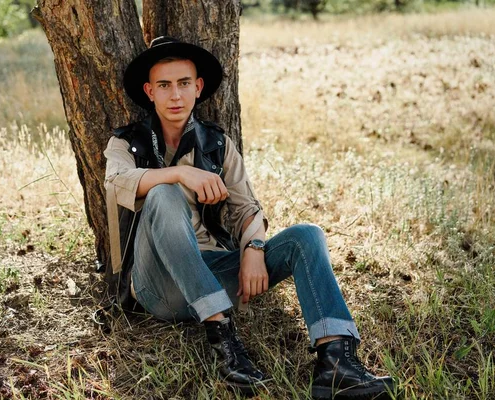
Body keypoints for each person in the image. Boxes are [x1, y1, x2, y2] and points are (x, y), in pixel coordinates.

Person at [103, 36, 396, 399]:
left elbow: (246, 208)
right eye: (164, 85)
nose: (175, 95)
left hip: (214, 271)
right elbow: (116, 183)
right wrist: (178, 174)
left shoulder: (217, 144)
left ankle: (337, 363)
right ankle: (224, 339)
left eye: (183, 84)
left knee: (307, 236)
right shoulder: (127, 142)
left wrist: (254, 247)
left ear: (198, 88)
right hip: (157, 287)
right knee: (163, 194)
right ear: (150, 91)